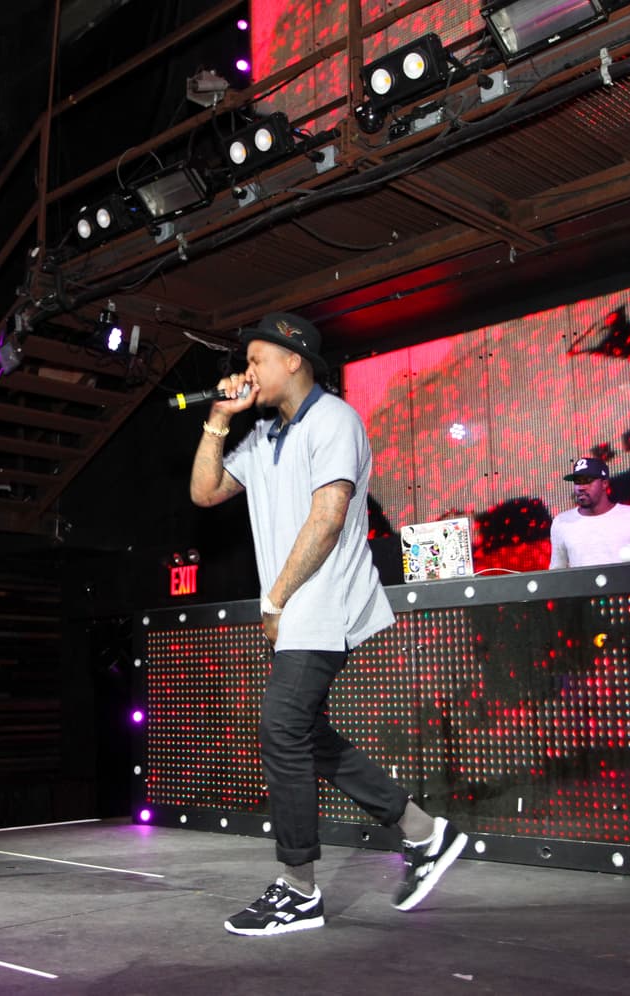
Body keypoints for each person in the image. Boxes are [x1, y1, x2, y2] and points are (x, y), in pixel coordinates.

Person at [190, 311, 467, 937]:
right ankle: (424, 832)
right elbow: (204, 492)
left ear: (295, 359)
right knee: (304, 735)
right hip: (294, 612)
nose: (247, 371)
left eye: (257, 359)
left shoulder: (335, 419)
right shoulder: (264, 439)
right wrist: (218, 419)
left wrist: (276, 598)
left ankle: (298, 887)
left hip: (319, 603)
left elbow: (329, 516)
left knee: (281, 728)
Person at [548, 456, 630, 568]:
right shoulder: (561, 522)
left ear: (604, 483)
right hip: (582, 586)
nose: (581, 487)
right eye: (577, 481)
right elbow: (557, 571)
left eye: (587, 481)